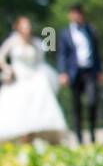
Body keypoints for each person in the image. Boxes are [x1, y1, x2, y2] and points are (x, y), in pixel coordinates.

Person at [0, 15, 68, 144]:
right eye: (25, 26)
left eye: (28, 25)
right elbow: (1, 57)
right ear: (18, 27)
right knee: (19, 113)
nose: (27, 28)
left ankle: (35, 140)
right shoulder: (12, 41)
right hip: (18, 81)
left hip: (34, 80)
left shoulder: (36, 42)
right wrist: (8, 69)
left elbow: (40, 62)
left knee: (38, 112)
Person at [56, 4, 103, 145]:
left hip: (89, 71)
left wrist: (100, 70)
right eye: (74, 13)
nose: (77, 16)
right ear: (70, 15)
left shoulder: (90, 30)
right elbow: (62, 54)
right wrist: (62, 72)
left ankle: (93, 134)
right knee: (76, 107)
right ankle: (79, 139)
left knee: (92, 101)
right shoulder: (64, 34)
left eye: (79, 13)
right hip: (73, 73)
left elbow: (97, 52)